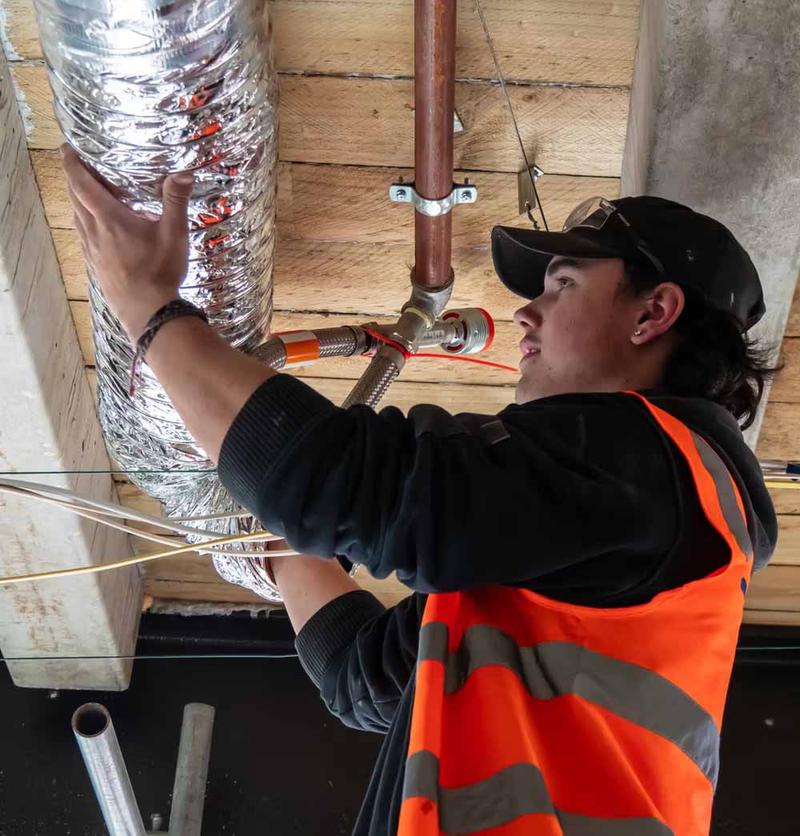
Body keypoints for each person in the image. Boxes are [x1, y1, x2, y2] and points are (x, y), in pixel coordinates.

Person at [62, 145, 777, 836]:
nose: (526, 314)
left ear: (652, 314)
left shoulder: (648, 462)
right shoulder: (629, 518)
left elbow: (343, 482)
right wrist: (277, 534)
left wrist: (150, 306)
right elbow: (369, 674)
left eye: (563, 284)